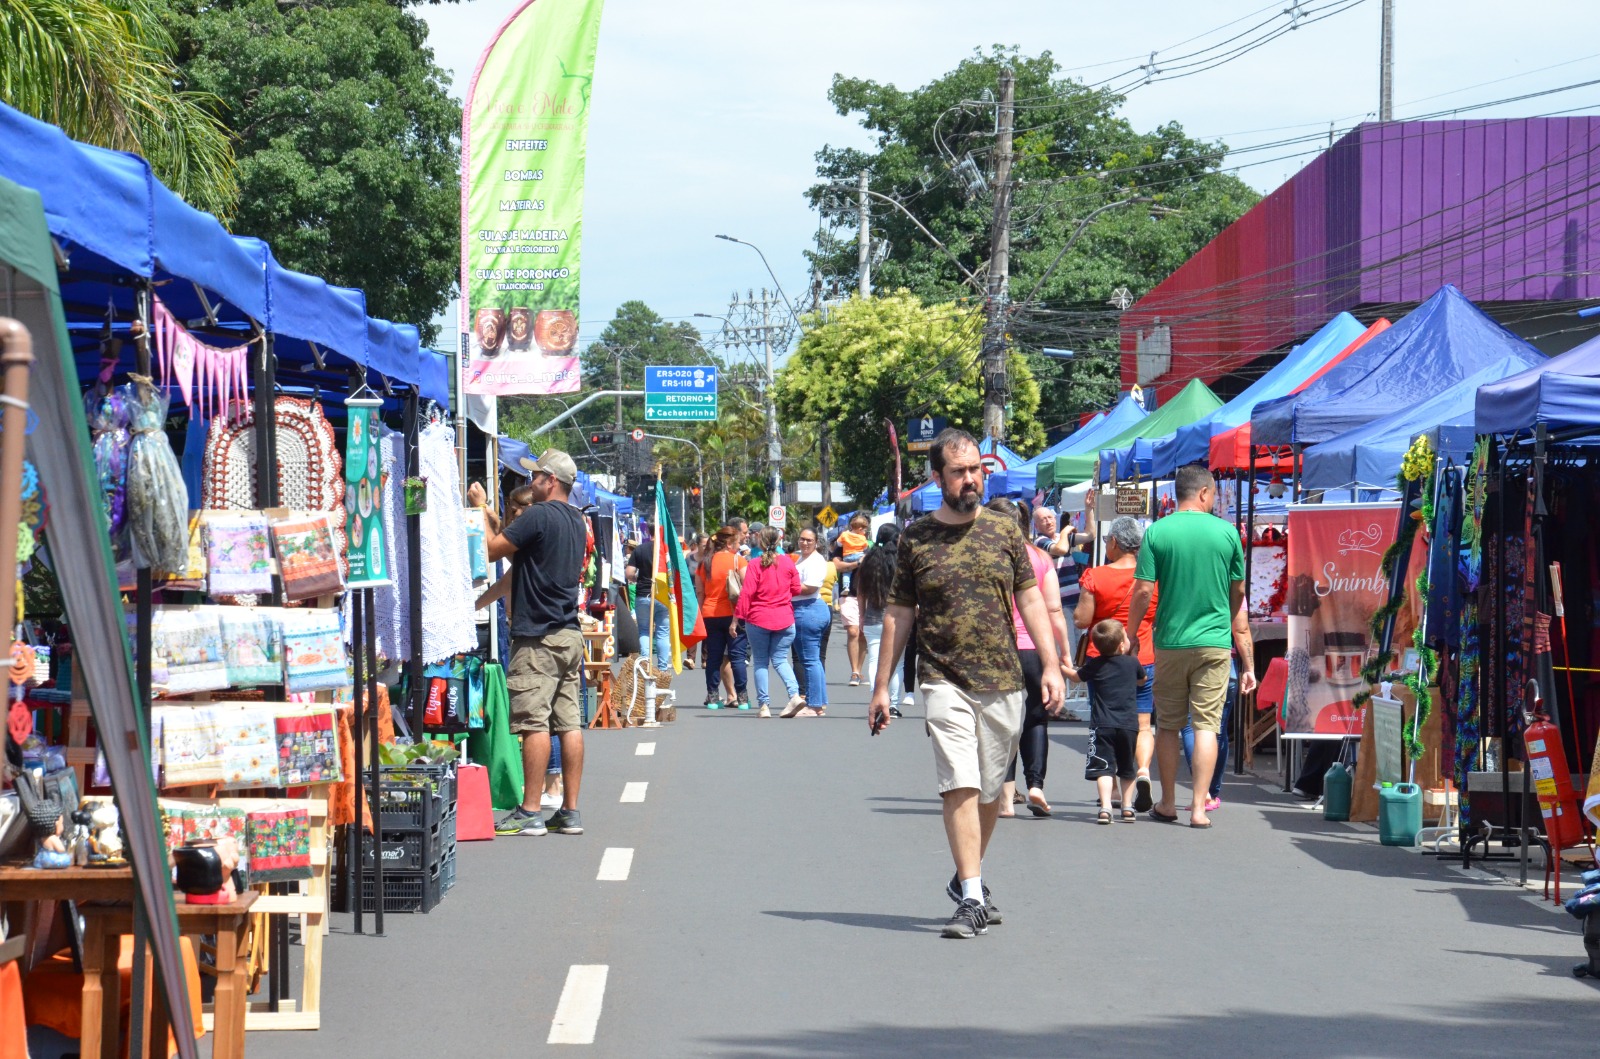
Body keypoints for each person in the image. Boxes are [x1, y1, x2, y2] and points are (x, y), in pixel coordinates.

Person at [869, 429, 1064, 940]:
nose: (971, 478)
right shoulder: (916, 537)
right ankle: (974, 898)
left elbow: (1031, 602)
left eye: (976, 469)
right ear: (939, 478)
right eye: (959, 471)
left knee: (993, 791)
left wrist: (1050, 663)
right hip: (942, 677)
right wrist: (883, 686)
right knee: (960, 779)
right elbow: (898, 615)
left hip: (1002, 678)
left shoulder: (1004, 532)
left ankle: (965, 877)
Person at [1124, 464, 1256, 829]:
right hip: (1214, 643)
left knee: (1167, 725)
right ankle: (1199, 808)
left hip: (1170, 642)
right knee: (1207, 726)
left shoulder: (1157, 532)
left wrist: (1132, 633)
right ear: (1203, 493)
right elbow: (1240, 590)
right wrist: (1224, 622)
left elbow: (1144, 590)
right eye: (1213, 494)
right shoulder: (1227, 532)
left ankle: (1168, 801)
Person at [483, 450, 588, 837]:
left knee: (533, 722)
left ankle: (530, 810)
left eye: (536, 476)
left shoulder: (539, 516)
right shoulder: (576, 521)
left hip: (539, 636)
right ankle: (570, 811)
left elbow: (493, 550)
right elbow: (522, 568)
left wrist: (482, 513)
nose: (531, 482)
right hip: (568, 632)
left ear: (551, 481)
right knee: (569, 722)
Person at [987, 499, 1068, 818]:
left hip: (998, 649)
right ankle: (1036, 785)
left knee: (1001, 723)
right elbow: (1054, 610)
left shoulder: (987, 558)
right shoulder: (1041, 557)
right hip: (1036, 648)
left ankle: (1006, 799)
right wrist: (1063, 655)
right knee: (1036, 716)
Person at [1076, 515, 1159, 811]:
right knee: (1143, 724)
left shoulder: (1095, 576)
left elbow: (1083, 619)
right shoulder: (1150, 577)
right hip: (1143, 657)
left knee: (1105, 723)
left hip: (1103, 662)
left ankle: (1109, 791)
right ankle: (1143, 771)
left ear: (1113, 542)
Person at [1063, 620, 1148, 824]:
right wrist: (1134, 656)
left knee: (1104, 768)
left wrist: (1061, 666)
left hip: (1102, 725)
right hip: (1128, 724)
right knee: (1127, 768)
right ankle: (1127, 807)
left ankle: (1106, 807)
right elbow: (1142, 680)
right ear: (1121, 645)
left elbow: (1075, 677)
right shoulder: (1132, 663)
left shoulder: (1095, 664)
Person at [735, 526, 804, 719]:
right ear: (779, 541)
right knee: (781, 660)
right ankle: (794, 695)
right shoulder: (789, 563)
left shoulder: (755, 564)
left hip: (758, 618)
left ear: (761, 542)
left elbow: (747, 593)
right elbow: (797, 589)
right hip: (784, 618)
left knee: (761, 662)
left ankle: (764, 705)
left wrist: (738, 618)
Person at [857, 523, 904, 718]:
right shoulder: (900, 561)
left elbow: (861, 592)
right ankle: (893, 704)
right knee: (896, 663)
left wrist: (861, 615)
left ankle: (876, 698)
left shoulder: (868, 560)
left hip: (872, 618)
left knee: (875, 660)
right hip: (896, 618)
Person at [700, 525, 749, 708]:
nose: (738, 546)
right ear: (729, 543)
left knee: (713, 657)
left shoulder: (705, 562)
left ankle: (713, 698)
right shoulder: (738, 561)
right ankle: (742, 699)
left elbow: (700, 592)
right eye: (736, 543)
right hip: (733, 613)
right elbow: (746, 590)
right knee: (737, 656)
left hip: (710, 614)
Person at [791, 526, 832, 717]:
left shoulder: (815, 560)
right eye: (802, 539)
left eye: (809, 540)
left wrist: (784, 587)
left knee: (809, 660)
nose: (804, 542)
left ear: (816, 542)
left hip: (808, 609)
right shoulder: (802, 558)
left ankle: (814, 704)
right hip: (807, 609)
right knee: (812, 659)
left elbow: (810, 587)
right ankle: (819, 702)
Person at [626, 526, 671, 671]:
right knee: (663, 632)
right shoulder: (666, 550)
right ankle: (663, 668)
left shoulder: (639, 549)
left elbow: (629, 573)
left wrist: (638, 578)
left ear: (648, 533)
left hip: (643, 595)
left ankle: (646, 664)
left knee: (644, 630)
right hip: (663, 596)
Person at [833, 513, 872, 684]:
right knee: (853, 631)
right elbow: (837, 565)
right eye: (857, 527)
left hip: (866, 593)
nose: (860, 530)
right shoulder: (842, 544)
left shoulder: (868, 546)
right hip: (847, 593)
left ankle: (859, 669)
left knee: (863, 633)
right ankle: (854, 672)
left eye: (863, 527)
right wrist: (856, 564)